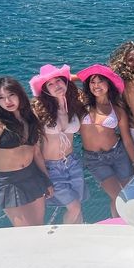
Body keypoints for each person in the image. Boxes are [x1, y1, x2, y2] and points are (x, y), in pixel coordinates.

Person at [0, 76, 52, 227]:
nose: (8, 101)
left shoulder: (31, 118)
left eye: (11, 95)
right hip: (9, 182)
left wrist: (47, 180)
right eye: (1, 98)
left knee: (39, 226)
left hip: (32, 176)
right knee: (24, 229)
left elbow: (37, 153)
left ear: (19, 94)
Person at [78, 64, 134, 216]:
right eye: (92, 82)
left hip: (118, 154)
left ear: (108, 84)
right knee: (118, 196)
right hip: (94, 160)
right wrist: (79, 76)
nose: (96, 85)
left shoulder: (117, 108)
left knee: (127, 195)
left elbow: (126, 139)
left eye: (100, 81)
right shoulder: (81, 104)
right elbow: (66, 81)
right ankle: (120, 227)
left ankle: (121, 225)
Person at [30, 64, 88, 224]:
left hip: (72, 163)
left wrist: (71, 77)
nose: (56, 86)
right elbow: (33, 146)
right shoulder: (38, 110)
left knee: (78, 206)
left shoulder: (74, 104)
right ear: (45, 90)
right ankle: (68, 242)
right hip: (51, 168)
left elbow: (86, 78)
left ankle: (79, 240)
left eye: (59, 81)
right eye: (50, 84)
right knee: (74, 207)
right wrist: (44, 176)